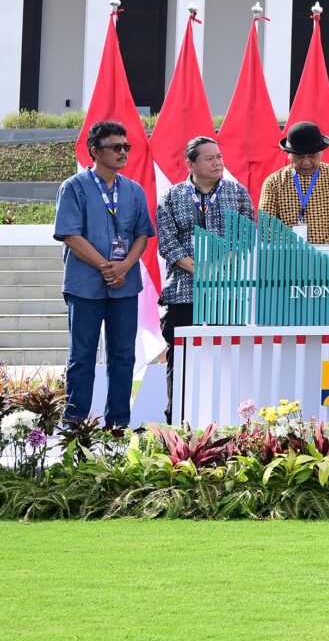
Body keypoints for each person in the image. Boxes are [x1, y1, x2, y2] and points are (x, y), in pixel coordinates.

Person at [53, 120, 154, 428]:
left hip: (124, 286)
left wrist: (123, 266)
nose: (123, 152)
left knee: (123, 357)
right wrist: (106, 267)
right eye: (116, 147)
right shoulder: (73, 187)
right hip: (85, 286)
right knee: (82, 358)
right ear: (95, 152)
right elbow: (70, 235)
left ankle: (119, 425)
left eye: (126, 147)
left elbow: (142, 235)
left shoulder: (133, 190)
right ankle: (75, 426)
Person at [154, 135, 255, 422]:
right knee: (181, 359)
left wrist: (220, 268)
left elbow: (247, 238)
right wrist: (199, 269)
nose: (217, 162)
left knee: (228, 358)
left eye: (219, 157)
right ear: (191, 163)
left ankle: (230, 420)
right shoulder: (172, 197)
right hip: (183, 293)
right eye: (209, 158)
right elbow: (168, 243)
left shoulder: (237, 193)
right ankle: (178, 422)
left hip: (227, 293)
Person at [258, 120, 329, 244]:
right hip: (288, 255)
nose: (306, 162)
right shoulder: (273, 183)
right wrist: (296, 249)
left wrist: (326, 249)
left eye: (312, 156)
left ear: (322, 152)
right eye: (299, 156)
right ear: (288, 154)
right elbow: (267, 224)